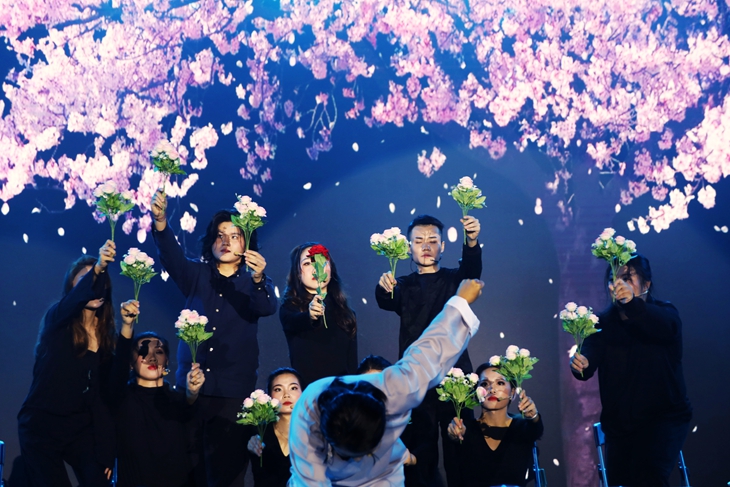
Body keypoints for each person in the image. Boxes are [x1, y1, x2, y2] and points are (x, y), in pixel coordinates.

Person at [288, 279, 484, 486]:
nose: (359, 460)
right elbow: (310, 481)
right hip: (331, 479)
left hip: (383, 474)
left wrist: (461, 300)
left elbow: (430, 352)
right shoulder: (307, 418)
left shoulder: (396, 389)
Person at [151, 190, 278, 487]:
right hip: (192, 390)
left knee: (227, 475)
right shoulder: (196, 274)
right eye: (220, 235)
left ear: (247, 244)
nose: (225, 241)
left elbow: (267, 307)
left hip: (232, 395)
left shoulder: (254, 282)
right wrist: (160, 221)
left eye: (234, 236)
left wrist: (258, 278)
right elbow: (172, 256)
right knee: (187, 472)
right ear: (211, 241)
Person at [375, 214, 482, 486]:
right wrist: (384, 287)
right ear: (409, 247)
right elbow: (385, 300)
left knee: (461, 450)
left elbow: (471, 271)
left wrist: (471, 241)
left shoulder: (453, 279)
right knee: (420, 454)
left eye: (432, 240)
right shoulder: (404, 285)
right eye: (419, 241)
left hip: (455, 378)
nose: (425, 246)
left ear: (443, 246)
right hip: (418, 378)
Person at [570, 254, 692, 487]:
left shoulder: (664, 313)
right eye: (613, 278)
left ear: (646, 284)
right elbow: (587, 360)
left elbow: (666, 328)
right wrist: (580, 365)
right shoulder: (602, 324)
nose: (619, 284)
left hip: (664, 419)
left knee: (649, 475)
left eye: (627, 278)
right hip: (621, 427)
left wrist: (632, 304)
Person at [17, 242, 118, 486]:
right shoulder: (57, 320)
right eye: (86, 279)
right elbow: (71, 302)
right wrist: (98, 267)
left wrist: (106, 452)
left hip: (78, 428)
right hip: (41, 425)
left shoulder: (106, 338)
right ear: (73, 287)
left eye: (100, 280)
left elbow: (103, 399)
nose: (95, 284)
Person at [109, 299, 205, 487]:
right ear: (131, 363)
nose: (151, 357)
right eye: (142, 351)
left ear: (167, 360)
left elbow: (190, 413)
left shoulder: (178, 401)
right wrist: (127, 326)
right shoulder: (123, 398)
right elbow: (118, 369)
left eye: (158, 351)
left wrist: (193, 394)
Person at [446, 364, 543, 487]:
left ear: (513, 392)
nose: (491, 389)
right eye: (484, 384)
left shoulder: (522, 427)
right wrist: (455, 435)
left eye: (500, 383)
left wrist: (534, 417)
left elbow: (536, 429)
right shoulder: (465, 429)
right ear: (475, 394)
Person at [280, 243, 357, 386]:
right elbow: (295, 321)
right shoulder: (290, 308)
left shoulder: (345, 312)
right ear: (297, 273)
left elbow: (351, 363)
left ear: (330, 268)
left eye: (322, 261)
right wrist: (311, 316)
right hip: (309, 392)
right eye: (307, 263)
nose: (316, 268)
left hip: (341, 392)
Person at [246, 367, 303, 487]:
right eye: (278, 389)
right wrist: (250, 445)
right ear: (270, 396)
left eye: (293, 388)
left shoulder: (316, 434)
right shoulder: (259, 433)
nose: (286, 395)